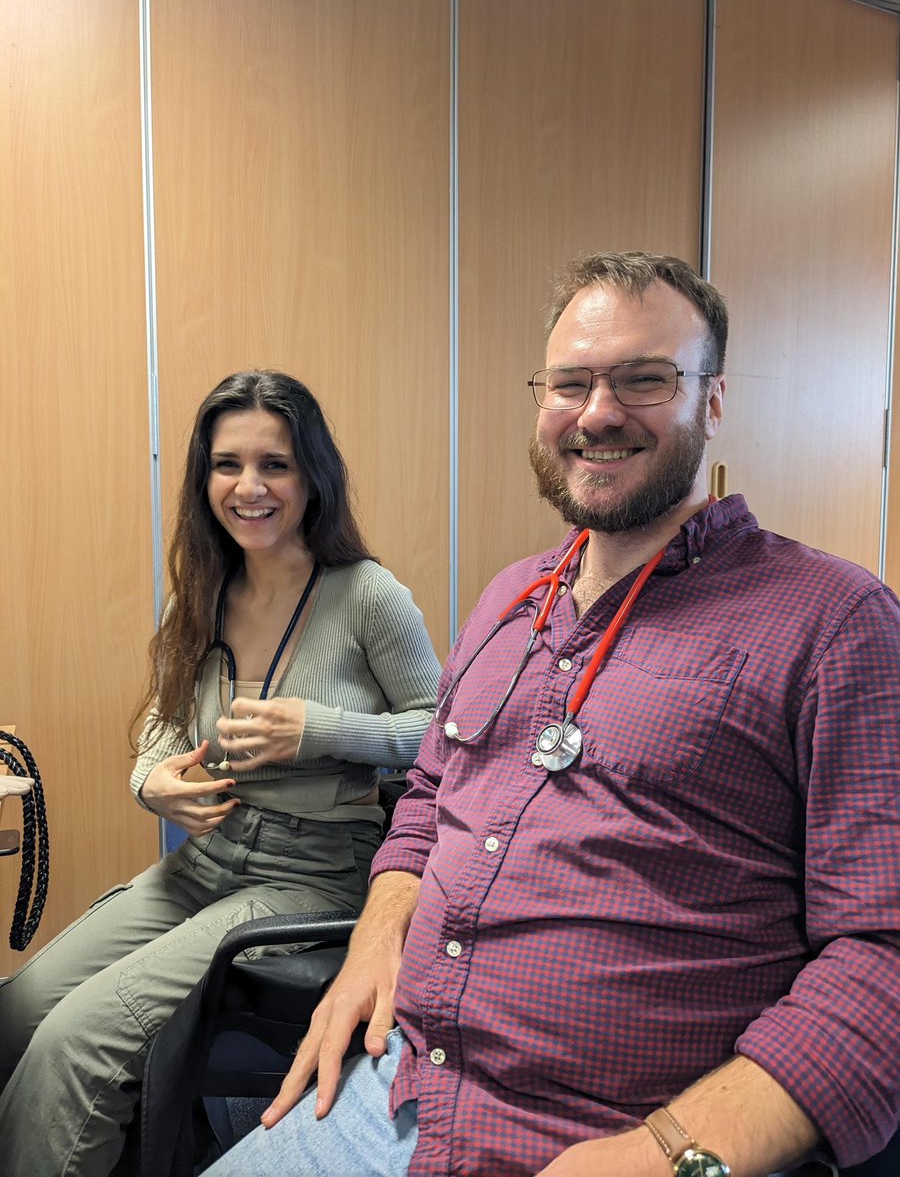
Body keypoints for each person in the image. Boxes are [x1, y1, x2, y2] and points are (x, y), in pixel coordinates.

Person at [205, 255, 900, 1177]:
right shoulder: (509, 599)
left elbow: (883, 950)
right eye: (571, 382)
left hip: (616, 1134)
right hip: (397, 1088)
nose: (599, 412)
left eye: (645, 379)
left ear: (714, 399)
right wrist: (380, 933)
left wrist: (673, 1152)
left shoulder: (832, 620)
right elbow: (424, 796)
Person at [0, 370, 441, 1176]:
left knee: (76, 1043)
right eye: (227, 464)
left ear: (313, 476)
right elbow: (165, 725)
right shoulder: (200, 594)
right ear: (204, 478)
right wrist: (151, 782)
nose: (250, 486)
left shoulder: (368, 597)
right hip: (204, 862)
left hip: (313, 874)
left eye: (274, 463)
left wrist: (322, 730)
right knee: (19, 1007)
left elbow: (447, 735)